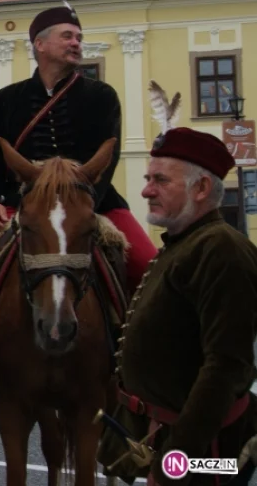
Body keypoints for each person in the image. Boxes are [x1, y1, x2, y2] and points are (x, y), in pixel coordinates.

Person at [0, 2, 158, 388]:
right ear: (40, 45)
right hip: (19, 203)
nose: (77, 43)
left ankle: (138, 351)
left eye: (78, 37)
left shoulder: (101, 96)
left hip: (90, 202)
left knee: (147, 263)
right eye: (68, 36)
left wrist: (84, 201)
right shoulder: (6, 101)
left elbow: (105, 161)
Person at [98, 126, 257, 485]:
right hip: (168, 438)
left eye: (160, 180)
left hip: (207, 453)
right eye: (147, 178)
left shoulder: (221, 250)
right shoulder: (184, 242)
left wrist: (175, 462)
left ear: (200, 189)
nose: (146, 190)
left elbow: (226, 366)